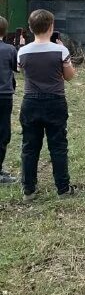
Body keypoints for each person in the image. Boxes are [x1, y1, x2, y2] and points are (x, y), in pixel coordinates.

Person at [17, 9, 76, 200]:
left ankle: (29, 190)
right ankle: (63, 188)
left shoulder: (22, 51)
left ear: (30, 28)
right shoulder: (61, 50)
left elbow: (22, 71)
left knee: (29, 146)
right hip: (55, 101)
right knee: (58, 145)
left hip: (31, 101)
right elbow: (69, 77)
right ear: (52, 27)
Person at [0, 16, 18, 185]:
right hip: (4, 96)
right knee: (3, 133)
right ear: (5, 31)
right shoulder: (9, 49)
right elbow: (15, 68)